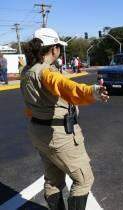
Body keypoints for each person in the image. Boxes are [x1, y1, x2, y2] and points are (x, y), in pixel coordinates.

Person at [20, 27, 109, 210]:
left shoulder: (27, 72)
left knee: (53, 180)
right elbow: (65, 86)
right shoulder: (46, 72)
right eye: (59, 46)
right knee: (84, 179)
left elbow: (32, 105)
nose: (60, 50)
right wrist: (92, 92)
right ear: (54, 49)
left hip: (39, 131)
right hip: (58, 135)